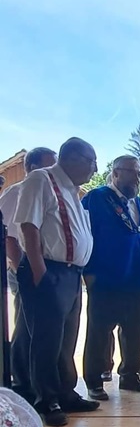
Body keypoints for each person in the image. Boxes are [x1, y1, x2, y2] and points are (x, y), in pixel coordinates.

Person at [14, 137, 99, 426]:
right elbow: (29, 226)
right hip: (50, 271)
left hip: (71, 275)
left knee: (66, 340)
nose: (94, 167)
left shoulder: (72, 190)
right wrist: (40, 272)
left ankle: (66, 393)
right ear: (72, 157)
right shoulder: (41, 179)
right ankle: (46, 399)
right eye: (91, 161)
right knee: (46, 341)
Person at [82, 155, 140, 400]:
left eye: (139, 173)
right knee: (100, 333)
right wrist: (88, 271)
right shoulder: (97, 198)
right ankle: (94, 381)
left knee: (135, 333)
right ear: (115, 173)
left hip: (138, 282)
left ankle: (130, 376)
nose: (137, 178)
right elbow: (84, 233)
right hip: (106, 280)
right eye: (133, 172)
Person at [0, 147, 57, 403]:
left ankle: (40, 383)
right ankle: (23, 384)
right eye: (49, 166)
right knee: (27, 327)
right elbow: (10, 236)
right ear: (32, 168)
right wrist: (21, 268)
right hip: (26, 268)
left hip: (44, 268)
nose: (53, 172)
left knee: (42, 329)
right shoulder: (17, 191)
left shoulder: (50, 194)